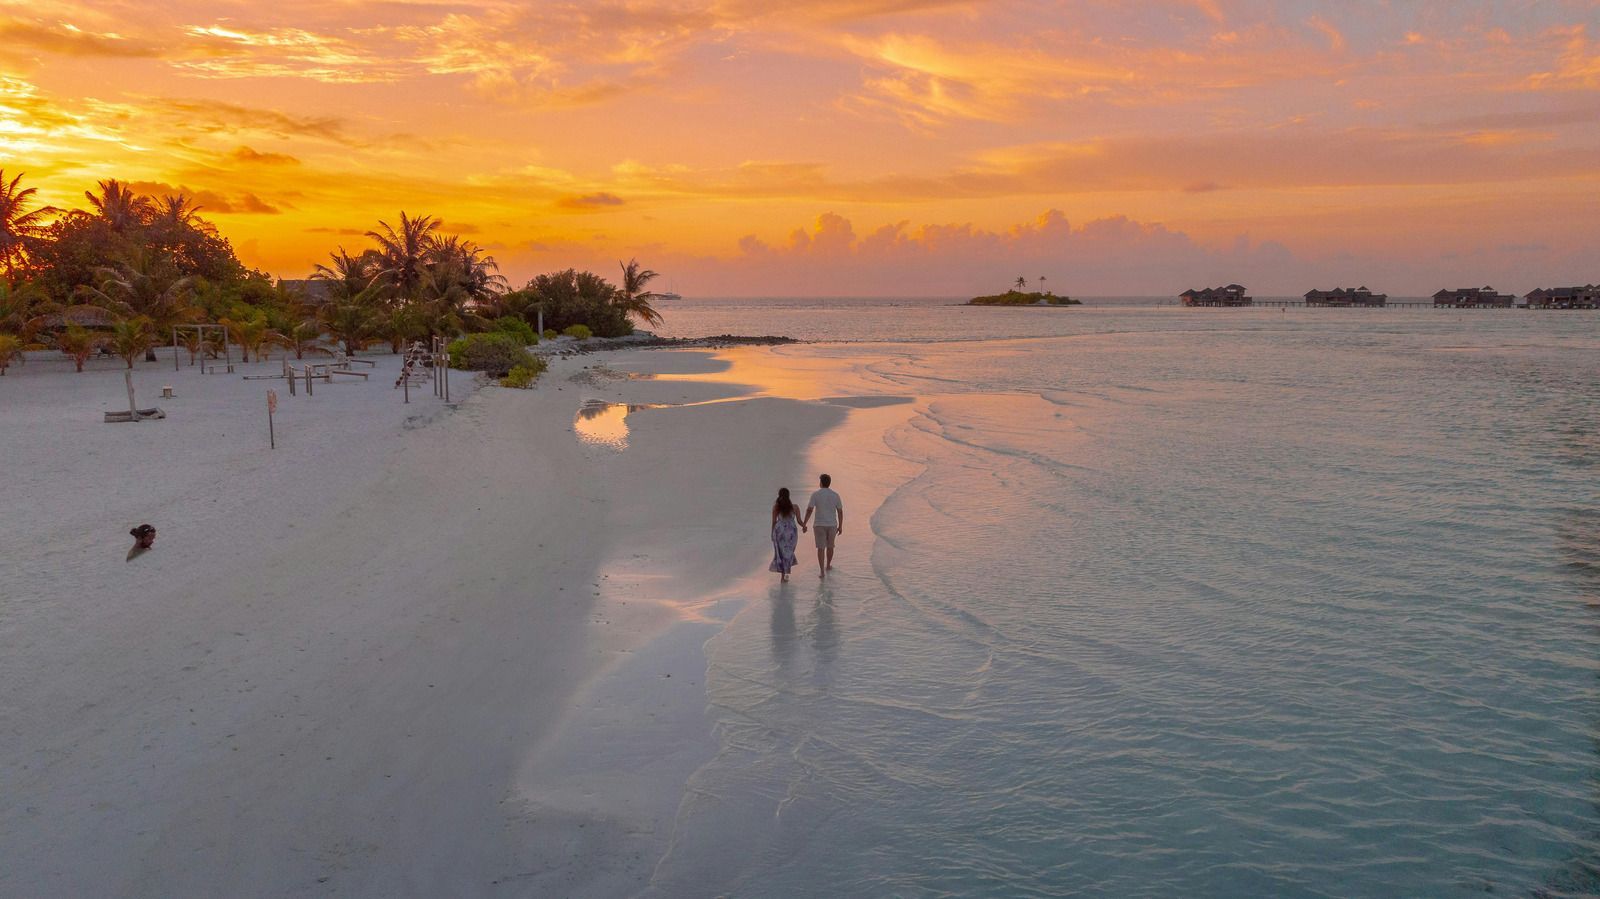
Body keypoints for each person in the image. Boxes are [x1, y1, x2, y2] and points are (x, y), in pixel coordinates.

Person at [802, 473, 844, 578]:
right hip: (832, 525)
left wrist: (804, 523)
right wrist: (841, 525)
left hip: (819, 525)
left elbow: (809, 510)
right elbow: (840, 511)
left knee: (821, 548)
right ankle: (828, 565)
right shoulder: (835, 495)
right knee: (830, 546)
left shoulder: (815, 494)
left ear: (821, 483)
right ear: (829, 483)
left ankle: (821, 571)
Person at [769, 488, 805, 582]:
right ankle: (785, 575)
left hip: (779, 532)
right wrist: (804, 526)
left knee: (781, 554)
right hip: (791, 533)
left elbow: (774, 522)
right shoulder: (795, 507)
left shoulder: (776, 507)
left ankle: (783, 576)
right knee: (788, 553)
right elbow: (799, 521)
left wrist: (772, 534)